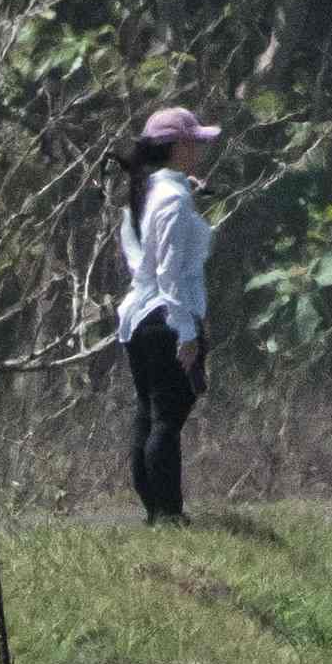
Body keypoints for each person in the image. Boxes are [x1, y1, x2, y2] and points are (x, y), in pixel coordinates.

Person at [113, 108, 223, 524]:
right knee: (167, 421)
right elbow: (170, 273)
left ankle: (154, 512)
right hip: (168, 317)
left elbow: (142, 255)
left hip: (139, 318)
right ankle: (170, 514)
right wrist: (186, 334)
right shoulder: (172, 200)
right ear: (176, 147)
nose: (199, 150)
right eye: (193, 142)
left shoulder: (144, 193)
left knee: (148, 414)